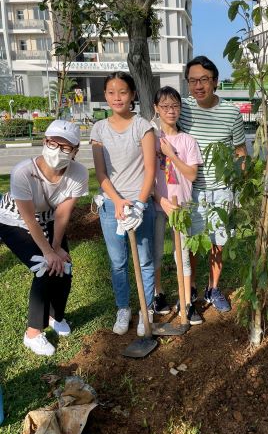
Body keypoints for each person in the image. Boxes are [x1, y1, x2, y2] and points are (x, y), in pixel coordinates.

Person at [0, 120, 88, 356]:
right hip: (13, 219)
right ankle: (32, 333)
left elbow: (62, 213)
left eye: (65, 147)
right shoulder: (23, 172)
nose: (57, 150)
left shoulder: (78, 173)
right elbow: (29, 220)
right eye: (52, 143)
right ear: (44, 142)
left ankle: (56, 316)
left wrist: (56, 247)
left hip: (48, 218)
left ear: (75, 151)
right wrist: (48, 252)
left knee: (64, 265)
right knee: (43, 266)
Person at [179, 56, 247, 312]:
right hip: (191, 190)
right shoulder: (182, 108)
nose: (198, 86)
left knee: (218, 242)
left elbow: (240, 151)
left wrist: (238, 186)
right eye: (193, 80)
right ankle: (192, 286)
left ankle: (213, 288)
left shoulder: (231, 112)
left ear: (215, 82)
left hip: (222, 190)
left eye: (204, 80)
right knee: (193, 243)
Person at [91, 72, 156, 336]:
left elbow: (150, 170)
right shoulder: (99, 129)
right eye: (111, 92)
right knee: (118, 261)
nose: (117, 97)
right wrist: (117, 202)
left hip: (141, 204)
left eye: (123, 92)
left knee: (145, 260)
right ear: (105, 95)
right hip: (112, 206)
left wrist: (139, 204)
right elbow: (101, 174)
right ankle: (123, 308)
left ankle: (146, 307)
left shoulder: (143, 126)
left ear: (133, 95)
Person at [153, 86, 203, 324]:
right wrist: (159, 199)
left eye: (175, 106)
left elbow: (191, 175)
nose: (170, 111)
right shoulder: (150, 139)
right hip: (157, 205)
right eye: (165, 106)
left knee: (181, 255)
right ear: (156, 109)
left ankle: (186, 303)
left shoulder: (187, 141)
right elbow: (145, 176)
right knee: (155, 253)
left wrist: (171, 154)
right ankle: (158, 294)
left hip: (181, 206)